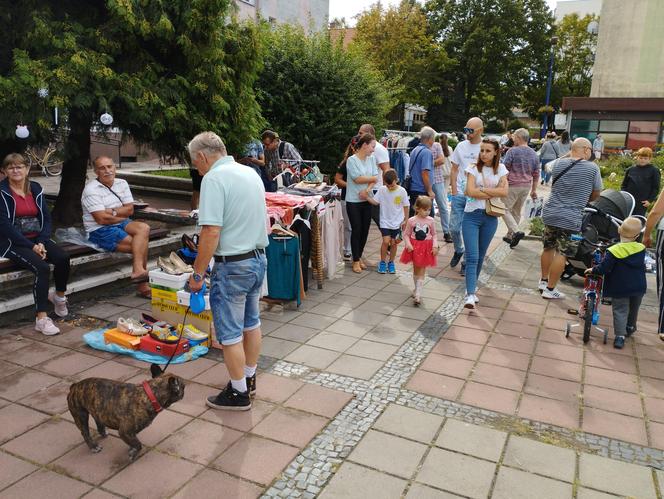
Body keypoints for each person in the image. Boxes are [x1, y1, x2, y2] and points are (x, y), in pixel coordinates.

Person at [186, 131, 268, 411]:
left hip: (233, 264)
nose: (196, 169)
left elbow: (210, 231)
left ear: (202, 157)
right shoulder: (249, 173)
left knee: (230, 333)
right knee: (251, 323)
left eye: (195, 163)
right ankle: (248, 379)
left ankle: (238, 393)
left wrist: (197, 275)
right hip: (257, 259)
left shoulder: (214, 178)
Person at [0, 153, 70, 335]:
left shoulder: (36, 188)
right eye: (11, 167)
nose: (15, 170)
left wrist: (40, 241)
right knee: (42, 267)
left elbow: (46, 218)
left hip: (37, 238)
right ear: (5, 171)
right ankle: (41, 318)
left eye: (19, 166)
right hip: (11, 242)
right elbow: (5, 227)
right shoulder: (1, 192)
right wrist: (32, 247)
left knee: (63, 257)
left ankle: (59, 297)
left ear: (27, 169)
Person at [539, 138, 602, 299]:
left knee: (548, 247)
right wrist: (585, 199)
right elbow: (596, 193)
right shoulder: (592, 168)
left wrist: (569, 153)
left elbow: (548, 167)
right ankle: (550, 290)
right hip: (571, 217)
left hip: (551, 213)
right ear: (587, 150)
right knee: (563, 253)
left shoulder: (558, 164)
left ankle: (543, 281)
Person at [82, 156, 151, 298]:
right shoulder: (90, 190)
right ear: (96, 171)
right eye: (102, 168)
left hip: (120, 221)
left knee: (143, 228)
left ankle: (138, 271)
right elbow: (101, 219)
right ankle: (142, 285)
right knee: (140, 244)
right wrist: (119, 212)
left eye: (110, 166)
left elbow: (130, 210)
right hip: (99, 230)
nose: (107, 171)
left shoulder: (122, 183)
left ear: (115, 167)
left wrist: (111, 211)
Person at [461, 138, 509, 309]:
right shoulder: (472, 168)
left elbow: (504, 191)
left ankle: (472, 289)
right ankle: (470, 293)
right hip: (471, 216)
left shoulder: (501, 169)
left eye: (488, 151)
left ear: (496, 152)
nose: (483, 154)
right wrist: (492, 192)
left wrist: (481, 190)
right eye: (482, 150)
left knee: (481, 256)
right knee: (472, 256)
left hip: (490, 217)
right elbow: (469, 191)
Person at [585, 217, 646, 349]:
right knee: (634, 308)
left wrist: (593, 270)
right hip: (638, 286)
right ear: (637, 236)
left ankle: (620, 337)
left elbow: (604, 268)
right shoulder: (641, 248)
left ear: (619, 231)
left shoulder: (613, 251)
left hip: (620, 287)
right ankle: (630, 327)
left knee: (620, 310)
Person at [449, 117, 484, 275]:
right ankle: (458, 249)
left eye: (471, 130)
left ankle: (466, 262)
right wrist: (454, 189)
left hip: (476, 195)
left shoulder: (485, 148)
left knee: (470, 231)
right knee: (454, 228)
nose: (467, 133)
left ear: (480, 131)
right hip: (459, 193)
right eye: (466, 130)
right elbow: (454, 169)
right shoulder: (461, 146)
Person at [346, 133, 379, 273]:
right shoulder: (351, 160)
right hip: (353, 200)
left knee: (365, 230)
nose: (373, 150)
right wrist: (371, 180)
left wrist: (367, 190)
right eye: (372, 146)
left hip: (367, 199)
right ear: (365, 145)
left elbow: (375, 178)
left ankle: (358, 256)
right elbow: (357, 179)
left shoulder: (371, 159)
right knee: (357, 229)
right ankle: (355, 260)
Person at [366, 169, 409, 274]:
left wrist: (406, 221)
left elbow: (406, 206)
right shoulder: (382, 190)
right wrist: (366, 197)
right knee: (386, 242)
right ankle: (382, 262)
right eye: (387, 185)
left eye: (392, 185)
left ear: (396, 180)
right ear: (384, 182)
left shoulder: (402, 191)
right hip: (385, 221)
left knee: (394, 243)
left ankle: (391, 262)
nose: (390, 187)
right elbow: (375, 202)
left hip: (397, 222)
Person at [501, 128, 539, 248]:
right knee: (516, 211)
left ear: (519, 137)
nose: (512, 139)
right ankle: (510, 236)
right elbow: (536, 173)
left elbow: (505, 169)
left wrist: (501, 184)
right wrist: (534, 190)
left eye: (514, 137)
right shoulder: (534, 154)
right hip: (526, 186)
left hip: (513, 185)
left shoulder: (512, 151)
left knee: (504, 209)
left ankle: (516, 231)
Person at [400, 196, 439, 305]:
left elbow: (434, 235)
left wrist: (435, 246)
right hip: (414, 247)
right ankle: (416, 288)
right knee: (416, 269)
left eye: (429, 209)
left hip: (426, 247)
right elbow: (406, 234)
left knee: (422, 269)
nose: (427, 212)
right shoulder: (412, 220)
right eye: (425, 209)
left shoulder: (431, 220)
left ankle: (418, 294)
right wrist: (408, 244)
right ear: (417, 208)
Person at [359, 124, 390, 229]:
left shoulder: (379, 149)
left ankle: (390, 239)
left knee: (380, 219)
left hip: (376, 189)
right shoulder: (363, 146)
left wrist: (388, 190)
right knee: (365, 219)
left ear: (369, 133)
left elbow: (386, 169)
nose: (358, 135)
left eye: (361, 133)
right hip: (365, 189)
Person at [334, 137, 358, 261]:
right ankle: (347, 249)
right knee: (349, 225)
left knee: (359, 226)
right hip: (347, 197)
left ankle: (357, 250)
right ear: (353, 148)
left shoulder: (368, 161)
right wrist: (351, 185)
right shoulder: (346, 162)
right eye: (356, 147)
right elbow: (337, 179)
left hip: (362, 198)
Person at [621, 147, 661, 217]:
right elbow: (624, 185)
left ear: (650, 159)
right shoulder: (631, 169)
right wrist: (624, 196)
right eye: (641, 158)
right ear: (637, 157)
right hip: (629, 200)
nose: (642, 160)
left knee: (637, 220)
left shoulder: (654, 171)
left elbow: (656, 187)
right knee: (625, 218)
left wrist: (649, 200)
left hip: (642, 202)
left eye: (645, 158)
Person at [407, 126, 436, 215]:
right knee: (427, 218)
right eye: (433, 138)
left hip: (413, 188)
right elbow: (425, 173)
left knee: (415, 216)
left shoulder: (415, 149)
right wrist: (430, 191)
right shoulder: (426, 152)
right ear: (430, 139)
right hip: (422, 190)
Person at [431, 134, 453, 243]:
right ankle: (446, 231)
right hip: (445, 174)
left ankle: (446, 231)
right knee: (443, 201)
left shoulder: (437, 146)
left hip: (438, 176)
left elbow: (442, 160)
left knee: (439, 202)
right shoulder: (449, 148)